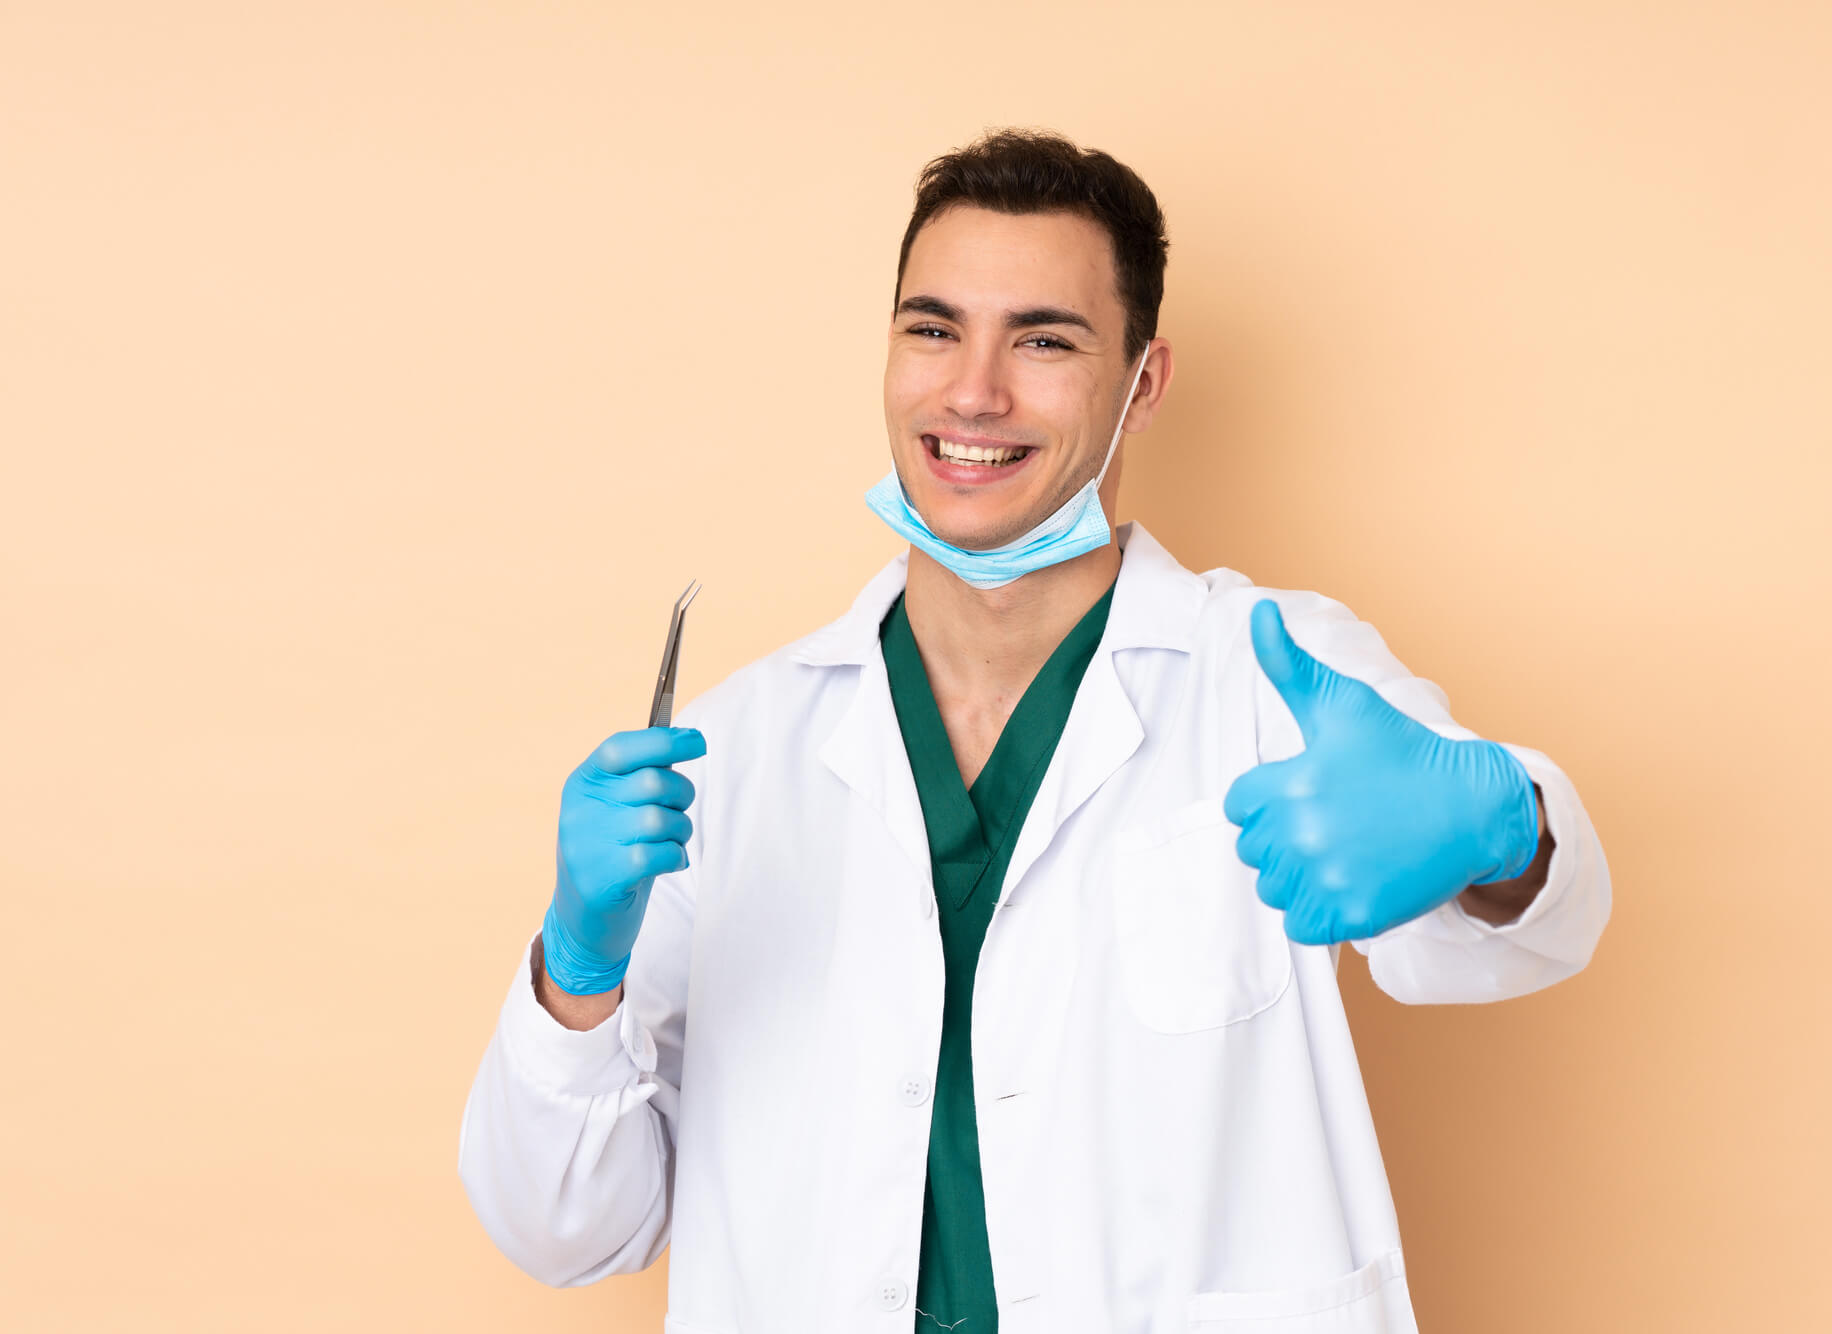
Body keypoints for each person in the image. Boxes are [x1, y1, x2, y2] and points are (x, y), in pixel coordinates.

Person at [458, 128, 1611, 1334]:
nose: (972, 391)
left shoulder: (1271, 674)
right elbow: (566, 1228)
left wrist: (1497, 830)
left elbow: (1528, 933)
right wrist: (575, 972)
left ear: (1143, 382)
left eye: (1043, 340)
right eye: (933, 328)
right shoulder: (738, 749)